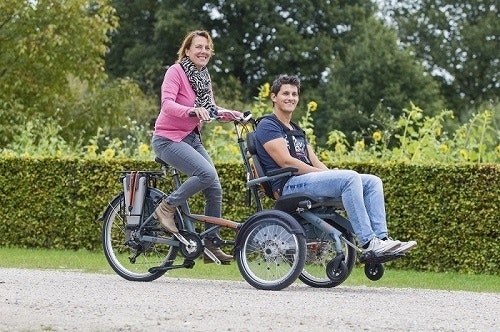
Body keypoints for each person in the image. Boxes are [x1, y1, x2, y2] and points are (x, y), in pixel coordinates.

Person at [254, 74, 417, 255]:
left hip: (306, 180)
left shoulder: (296, 129)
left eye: (294, 94)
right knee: (350, 177)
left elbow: (315, 161)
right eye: (285, 93)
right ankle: (368, 242)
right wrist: (324, 175)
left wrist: (331, 175)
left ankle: (382, 240)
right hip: (288, 184)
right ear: (274, 97)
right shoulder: (268, 125)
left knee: (372, 182)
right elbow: (286, 161)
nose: (290, 98)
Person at [152, 30, 241, 264]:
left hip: (190, 137)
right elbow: (167, 104)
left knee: (215, 188)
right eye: (198, 47)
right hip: (167, 138)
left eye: (207, 47)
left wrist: (236, 115)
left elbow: (211, 108)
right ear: (188, 50)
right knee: (206, 173)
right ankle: (167, 206)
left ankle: (211, 245)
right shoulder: (176, 72)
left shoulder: (203, 77)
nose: (203, 51)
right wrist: (191, 110)